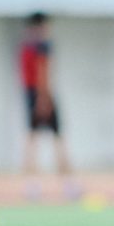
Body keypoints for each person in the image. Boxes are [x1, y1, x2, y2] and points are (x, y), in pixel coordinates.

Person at [17, 13, 79, 200]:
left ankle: (31, 186)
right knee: (57, 140)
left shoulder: (25, 47)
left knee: (32, 139)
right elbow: (43, 72)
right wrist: (44, 99)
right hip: (42, 95)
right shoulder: (43, 46)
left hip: (30, 94)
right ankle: (69, 186)